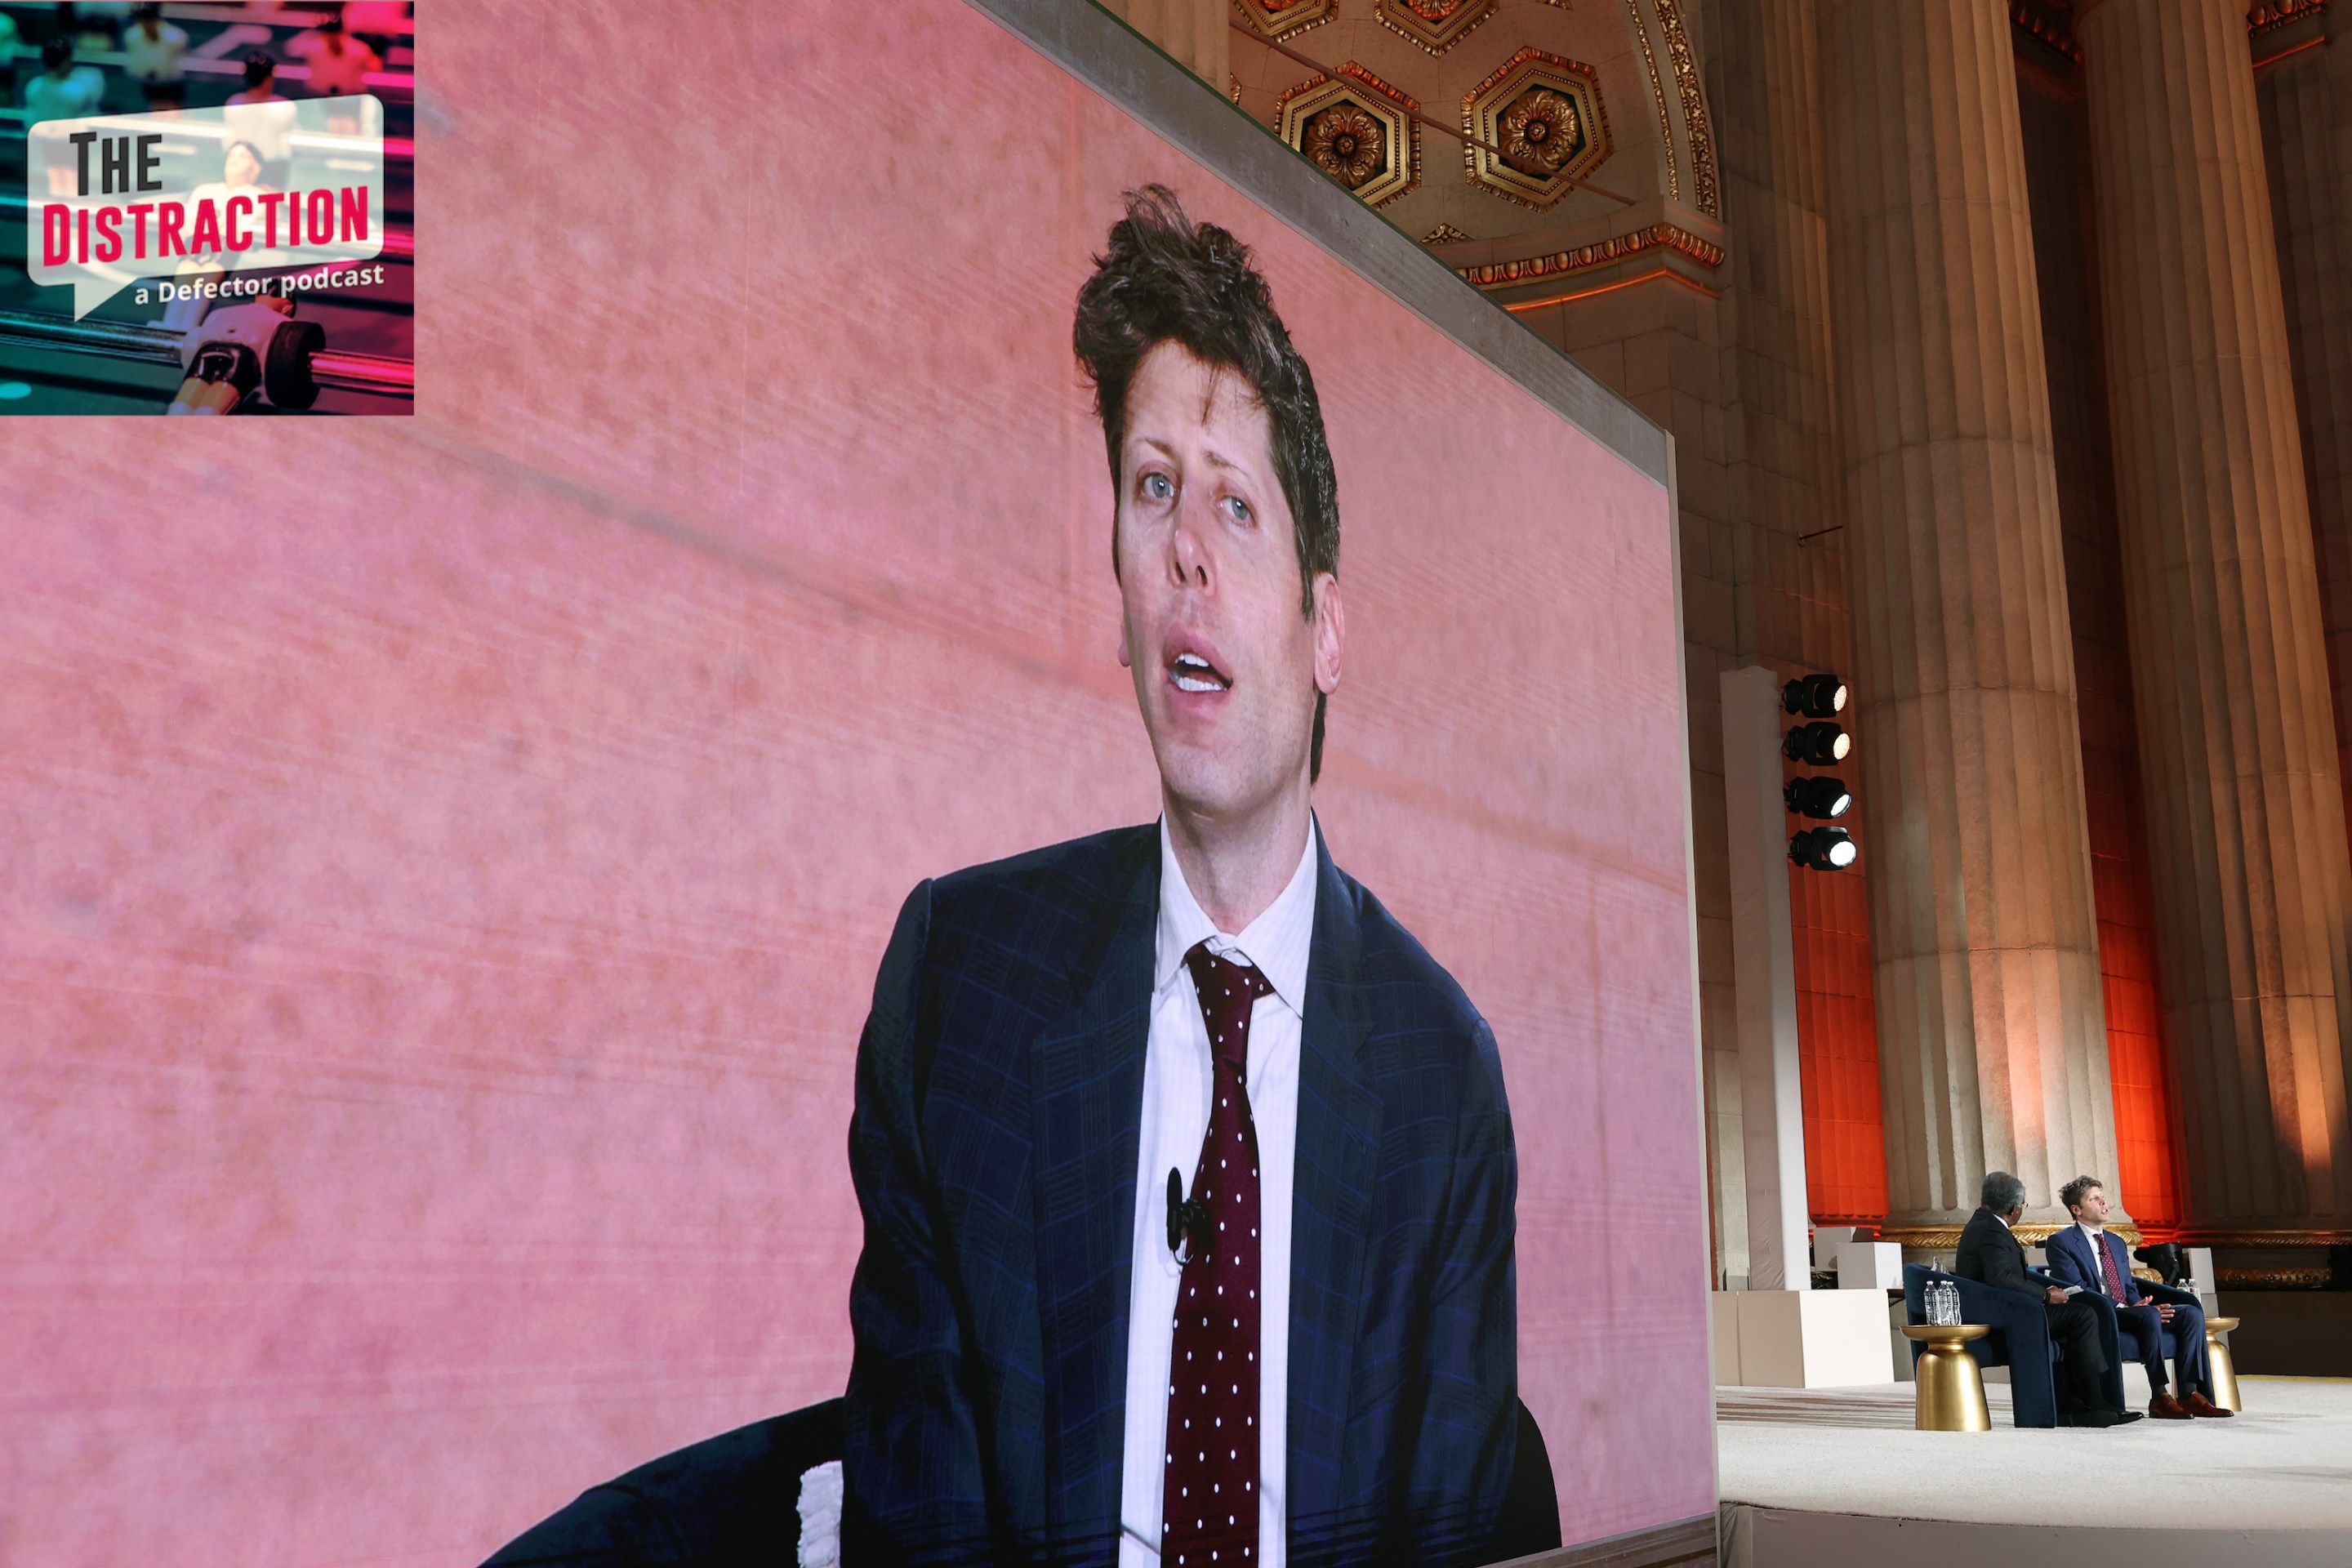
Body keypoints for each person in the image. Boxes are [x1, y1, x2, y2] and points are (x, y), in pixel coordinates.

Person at [841, 185, 1518, 1568]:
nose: (1186, 549)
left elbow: (1452, 1529)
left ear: (1327, 627)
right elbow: (915, 1508)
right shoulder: (959, 986)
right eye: (1153, 490)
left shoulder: (1439, 1075)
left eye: (1236, 506)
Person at [1954, 1171, 2140, 1428]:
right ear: (2014, 1209)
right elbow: (2001, 1277)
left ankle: (2072, 1403)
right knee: (2083, 1315)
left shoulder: (1984, 1224)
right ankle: (2096, 1401)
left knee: (2074, 1317)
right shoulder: (1992, 1231)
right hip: (2005, 1315)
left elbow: (2005, 1276)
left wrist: (2045, 1291)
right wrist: (2045, 1295)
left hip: (2007, 1308)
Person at [2043, 1176, 2233, 1420]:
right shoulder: (2062, 1242)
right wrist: (2125, 1307)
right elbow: (2077, 1288)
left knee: (2190, 1313)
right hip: (2100, 1313)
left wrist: (2137, 1302)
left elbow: (2129, 1285)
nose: (2103, 1203)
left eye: (2102, 1197)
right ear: (2077, 1210)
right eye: (2094, 1199)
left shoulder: (2116, 1242)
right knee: (2149, 1315)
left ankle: (2189, 1393)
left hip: (2130, 1310)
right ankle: (2160, 1396)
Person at [287, 8, 381, 99]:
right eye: (328, 33)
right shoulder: (314, 46)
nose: (331, 37)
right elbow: (290, 49)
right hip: (319, 96)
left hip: (350, 98)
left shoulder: (358, 50)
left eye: (334, 33)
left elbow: (375, 66)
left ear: (341, 32)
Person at [22, 37, 106, 128]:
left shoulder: (34, 86)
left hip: (43, 136)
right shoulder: (78, 90)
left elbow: (29, 123)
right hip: (63, 136)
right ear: (66, 61)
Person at [124, 3, 189, 111]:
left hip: (173, 86)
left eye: (148, 19)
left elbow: (179, 67)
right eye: (142, 20)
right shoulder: (132, 36)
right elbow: (133, 67)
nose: (146, 24)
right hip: (148, 85)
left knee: (173, 114)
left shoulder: (176, 37)